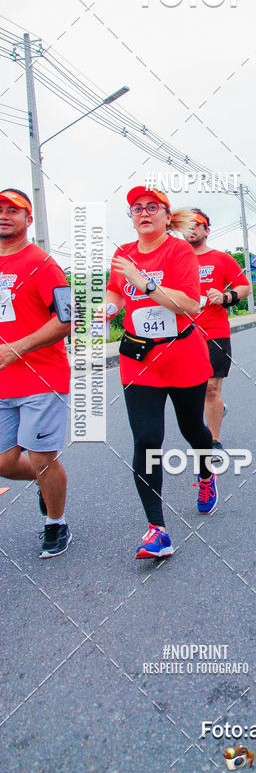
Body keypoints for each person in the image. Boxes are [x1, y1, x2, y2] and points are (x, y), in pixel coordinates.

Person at [105, 187, 215, 559]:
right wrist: (106, 310)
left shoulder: (180, 251)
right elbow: (116, 294)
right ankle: (157, 529)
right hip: (139, 359)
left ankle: (205, 474)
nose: (144, 213)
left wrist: (145, 283)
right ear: (131, 217)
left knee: (193, 430)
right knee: (147, 438)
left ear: (168, 216)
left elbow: (188, 303)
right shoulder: (122, 254)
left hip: (183, 355)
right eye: (137, 208)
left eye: (153, 207)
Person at [0, 188, 72, 558]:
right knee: (4, 463)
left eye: (14, 210)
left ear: (29, 220)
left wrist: (14, 349)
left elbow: (65, 320)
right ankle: (49, 487)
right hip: (2, 384)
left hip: (42, 378)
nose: (4, 214)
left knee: (42, 457)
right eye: (0, 209)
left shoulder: (43, 265)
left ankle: (55, 523)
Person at [185, 209, 250, 454]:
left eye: (197, 224)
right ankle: (215, 410)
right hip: (182, 334)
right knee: (195, 389)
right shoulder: (176, 260)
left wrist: (225, 296)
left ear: (206, 229)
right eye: (186, 225)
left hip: (214, 332)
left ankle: (212, 440)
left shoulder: (221, 259)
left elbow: (244, 287)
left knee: (212, 387)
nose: (191, 229)